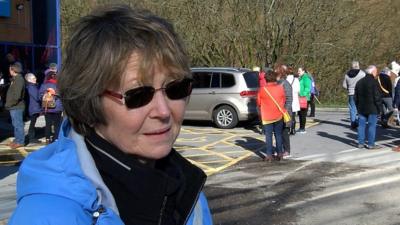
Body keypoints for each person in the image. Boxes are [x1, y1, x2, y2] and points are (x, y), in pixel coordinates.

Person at [8, 4, 213, 225]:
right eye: (139, 95)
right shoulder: (49, 215)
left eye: (176, 88)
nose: (163, 111)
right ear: (89, 101)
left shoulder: (186, 187)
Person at [257, 70, 286, 162]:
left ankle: (269, 155)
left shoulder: (262, 89)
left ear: (265, 79)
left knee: (268, 136)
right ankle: (280, 154)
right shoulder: (280, 88)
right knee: (278, 135)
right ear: (275, 78)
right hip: (278, 114)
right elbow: (284, 100)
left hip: (267, 116)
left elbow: (258, 102)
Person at [354, 65, 382, 149]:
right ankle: (370, 144)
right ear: (373, 72)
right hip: (372, 107)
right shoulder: (374, 82)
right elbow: (377, 96)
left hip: (361, 107)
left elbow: (356, 97)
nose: (377, 73)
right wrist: (379, 108)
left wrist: (358, 106)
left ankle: (360, 143)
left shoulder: (359, 82)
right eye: (376, 71)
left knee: (361, 126)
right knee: (371, 126)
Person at [5, 62, 25, 149]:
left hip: (17, 106)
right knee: (15, 124)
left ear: (13, 70)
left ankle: (20, 141)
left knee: (18, 124)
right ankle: (17, 140)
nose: (9, 71)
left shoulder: (19, 79)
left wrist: (9, 104)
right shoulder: (15, 79)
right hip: (13, 106)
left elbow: (17, 96)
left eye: (10, 69)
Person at [39, 70, 63, 143]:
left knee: (48, 124)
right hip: (57, 108)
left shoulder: (44, 85)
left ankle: (47, 138)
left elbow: (39, 96)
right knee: (57, 124)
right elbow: (62, 95)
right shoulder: (59, 85)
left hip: (47, 107)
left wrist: (46, 96)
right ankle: (56, 138)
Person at [275, 64, 292, 157]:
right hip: (276, 111)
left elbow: (289, 99)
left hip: (284, 112)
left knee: (284, 132)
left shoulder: (285, 84)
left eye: (276, 71)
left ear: (280, 73)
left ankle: (287, 150)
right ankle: (279, 150)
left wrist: (284, 111)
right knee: (277, 132)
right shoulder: (277, 83)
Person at [343, 61, 366, 129]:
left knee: (352, 109)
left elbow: (344, 85)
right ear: (358, 65)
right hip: (360, 93)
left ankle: (353, 123)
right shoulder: (362, 74)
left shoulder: (347, 74)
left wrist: (349, 88)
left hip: (351, 94)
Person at [25, 73, 41, 144]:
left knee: (33, 123)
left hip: (34, 107)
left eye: (35, 78)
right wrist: (42, 95)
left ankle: (31, 137)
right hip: (33, 108)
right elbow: (37, 97)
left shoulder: (32, 86)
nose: (35, 79)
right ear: (29, 80)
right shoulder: (31, 87)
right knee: (32, 123)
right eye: (33, 78)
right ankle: (32, 138)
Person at [297, 66, 312, 134]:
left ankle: (303, 129)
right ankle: (301, 128)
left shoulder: (306, 78)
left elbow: (307, 88)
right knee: (300, 114)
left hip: (305, 98)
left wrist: (302, 94)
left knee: (303, 114)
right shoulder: (301, 78)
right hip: (300, 98)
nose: (298, 72)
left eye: (299, 71)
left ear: (303, 71)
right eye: (298, 71)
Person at [286, 66, 300, 135]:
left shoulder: (286, 79)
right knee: (293, 115)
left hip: (288, 98)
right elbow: (298, 90)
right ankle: (293, 129)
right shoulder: (296, 79)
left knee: (288, 115)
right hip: (295, 99)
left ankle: (288, 129)